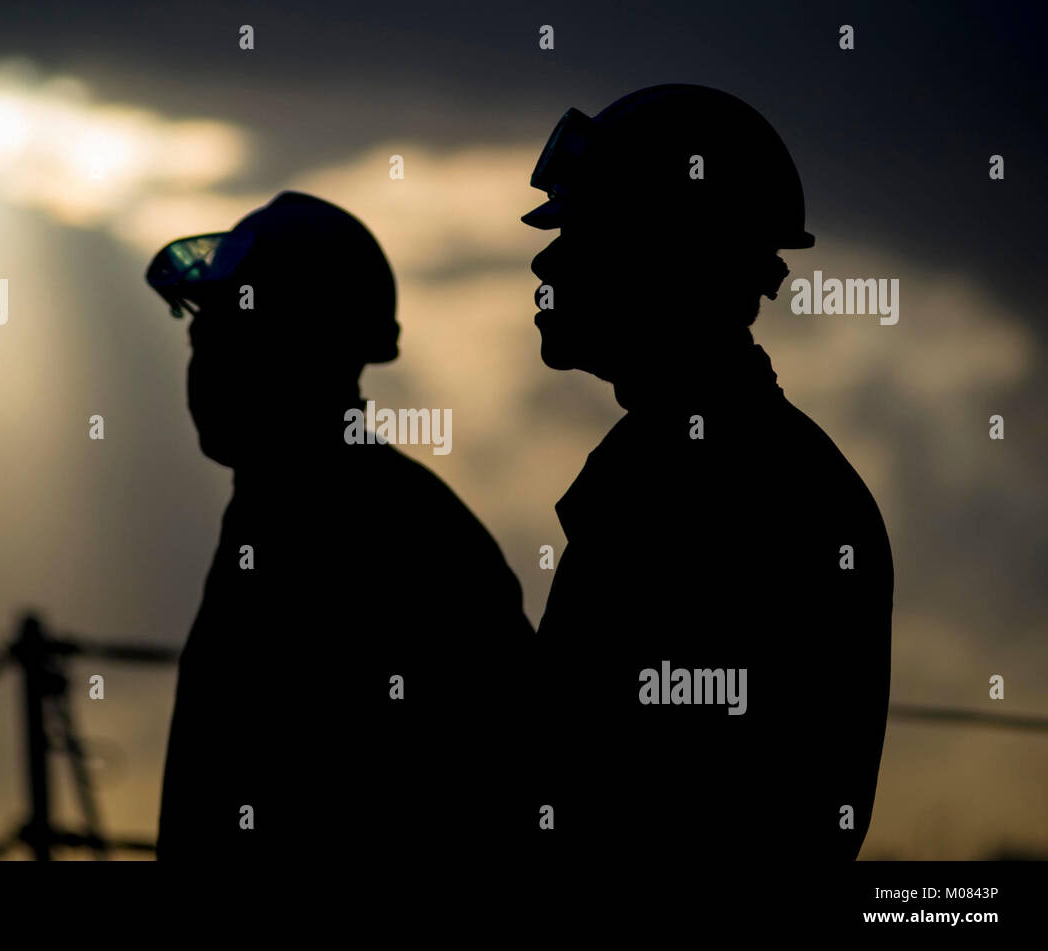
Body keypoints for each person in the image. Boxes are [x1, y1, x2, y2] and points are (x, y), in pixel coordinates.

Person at [522, 85, 893, 859]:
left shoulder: (742, 495)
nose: (545, 257)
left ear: (672, 258)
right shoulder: (699, 471)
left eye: (586, 232)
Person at [147, 191, 535, 857]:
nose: (205, 365)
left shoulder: (388, 536)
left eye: (233, 337)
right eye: (198, 339)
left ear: (309, 351)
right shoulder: (283, 511)